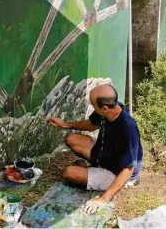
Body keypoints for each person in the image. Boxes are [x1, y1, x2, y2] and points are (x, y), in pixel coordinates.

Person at [47, 84, 143, 214]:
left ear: (104, 109)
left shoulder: (128, 128)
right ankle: (91, 169)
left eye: (93, 105)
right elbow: (92, 124)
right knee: (72, 139)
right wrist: (65, 124)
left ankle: (107, 180)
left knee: (69, 173)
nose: (92, 106)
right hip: (104, 155)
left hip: (117, 172)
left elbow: (128, 169)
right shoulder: (110, 107)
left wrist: (103, 199)